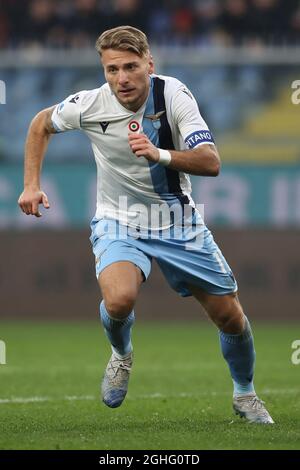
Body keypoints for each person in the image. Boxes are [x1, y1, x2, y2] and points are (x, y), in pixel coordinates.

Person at [18, 25, 274, 424]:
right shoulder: (89, 104)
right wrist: (31, 185)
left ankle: (245, 394)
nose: (121, 78)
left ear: (149, 65)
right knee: (119, 300)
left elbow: (211, 161)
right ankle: (122, 355)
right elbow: (40, 124)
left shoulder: (174, 95)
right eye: (112, 69)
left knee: (230, 317)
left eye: (131, 67)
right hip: (118, 218)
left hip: (178, 223)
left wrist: (160, 154)